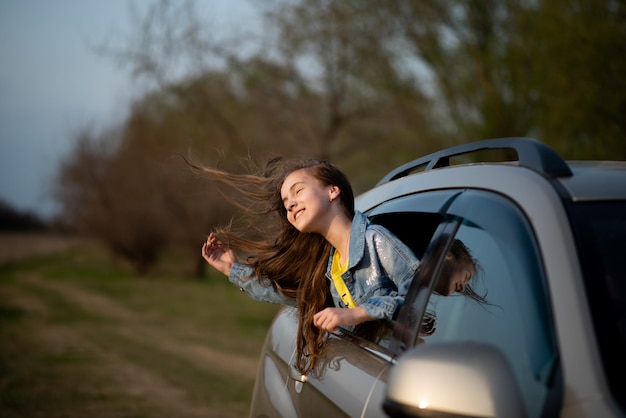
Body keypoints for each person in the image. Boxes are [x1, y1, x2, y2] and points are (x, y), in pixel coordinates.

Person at [198, 157, 420, 374]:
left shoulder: (376, 241)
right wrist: (231, 268)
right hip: (373, 374)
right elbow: (288, 293)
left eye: (298, 191)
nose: (291, 204)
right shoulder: (329, 267)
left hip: (411, 370)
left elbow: (421, 300)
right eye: (286, 203)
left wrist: (358, 313)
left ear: (332, 191)